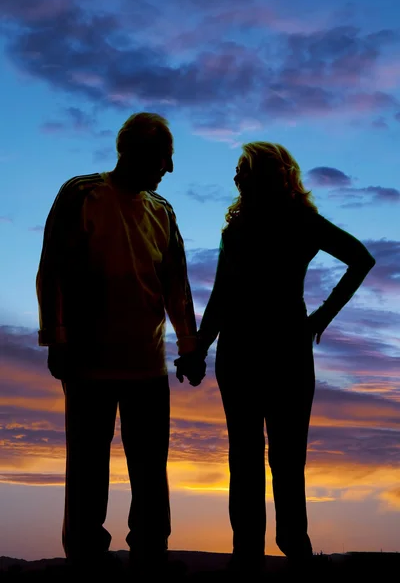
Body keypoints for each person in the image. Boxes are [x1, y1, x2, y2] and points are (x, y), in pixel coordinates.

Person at [176, 141, 376, 576]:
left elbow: (361, 259)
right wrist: (198, 348)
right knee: (248, 457)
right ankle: (248, 556)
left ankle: (292, 548)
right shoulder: (238, 229)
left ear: (267, 175)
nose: (235, 177)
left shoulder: (301, 220)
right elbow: (223, 295)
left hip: (284, 353)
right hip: (245, 352)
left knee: (283, 459)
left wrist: (320, 318)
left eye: (243, 170)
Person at [36, 112, 206, 576]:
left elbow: (177, 285)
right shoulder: (81, 194)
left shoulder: (162, 211)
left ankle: (150, 557)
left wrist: (189, 346)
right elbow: (53, 267)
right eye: (163, 158)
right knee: (87, 471)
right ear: (131, 151)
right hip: (88, 362)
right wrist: (57, 337)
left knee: (151, 474)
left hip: (148, 367)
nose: (168, 170)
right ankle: (86, 562)